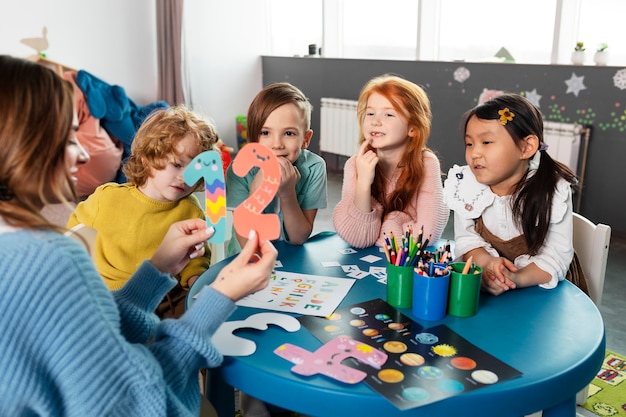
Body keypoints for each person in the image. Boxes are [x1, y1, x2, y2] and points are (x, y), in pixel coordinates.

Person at [0, 54, 277, 417]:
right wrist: (221, 294)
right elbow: (140, 401)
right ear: (21, 143)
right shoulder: (53, 258)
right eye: (69, 136)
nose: (83, 153)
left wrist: (157, 268)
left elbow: (90, 338)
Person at [67, 105, 217, 318]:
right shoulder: (107, 197)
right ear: (147, 160)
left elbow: (196, 258)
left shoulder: (190, 208)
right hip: (110, 295)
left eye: (194, 170)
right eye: (176, 164)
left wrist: (197, 282)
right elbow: (73, 234)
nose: (185, 177)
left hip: (167, 297)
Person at [443, 93, 587, 296]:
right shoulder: (465, 185)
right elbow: (467, 239)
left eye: (486, 142)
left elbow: (556, 257)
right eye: (469, 143)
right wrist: (487, 265)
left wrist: (515, 278)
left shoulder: (552, 190)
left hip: (543, 290)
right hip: (492, 288)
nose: (474, 153)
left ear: (526, 147)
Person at [333, 74, 449, 249]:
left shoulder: (426, 164)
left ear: (413, 128)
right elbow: (356, 237)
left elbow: (427, 235)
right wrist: (363, 183)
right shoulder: (355, 165)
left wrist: (389, 224)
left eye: (389, 114)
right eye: (370, 113)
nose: (375, 121)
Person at [226, 82, 327, 254]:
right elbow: (246, 244)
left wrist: (288, 193)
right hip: (246, 261)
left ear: (306, 139)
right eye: (265, 133)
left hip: (291, 261)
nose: (277, 144)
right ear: (253, 138)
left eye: (289, 133)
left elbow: (299, 238)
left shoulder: (315, 167)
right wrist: (257, 191)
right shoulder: (239, 170)